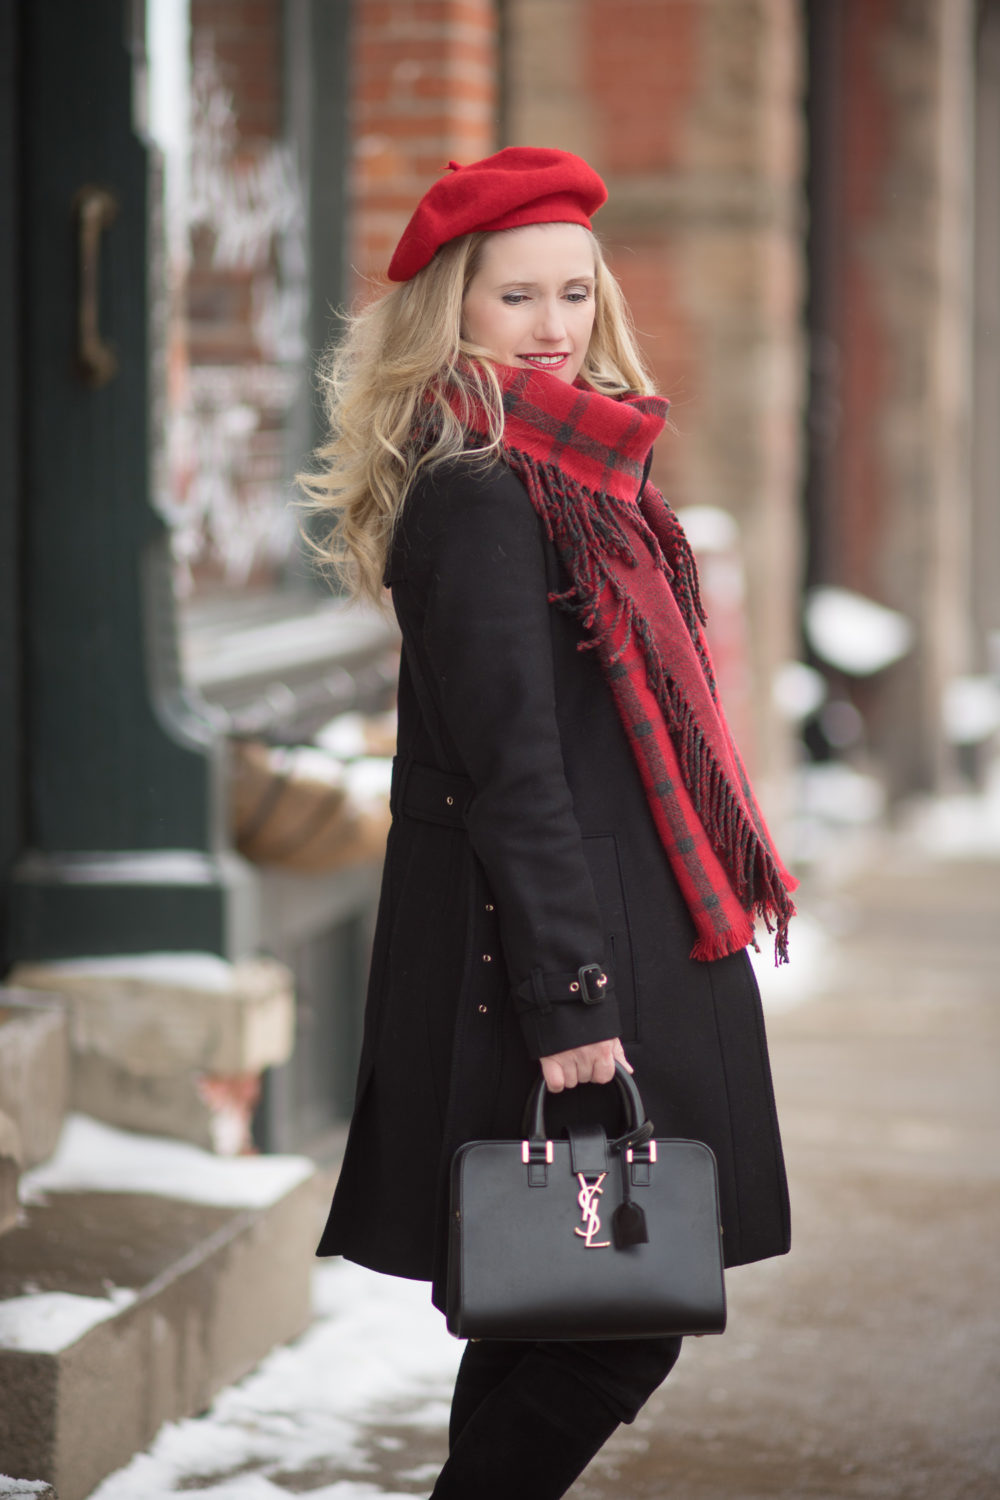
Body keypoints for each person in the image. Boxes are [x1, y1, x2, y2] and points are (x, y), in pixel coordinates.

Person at [302, 146, 797, 1500]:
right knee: (620, 1319)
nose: (552, 326)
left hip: (621, 921)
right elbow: (512, 770)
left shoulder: (587, 476)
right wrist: (572, 1000)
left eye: (573, 293)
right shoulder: (481, 491)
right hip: (552, 950)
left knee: (552, 1307)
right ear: (452, 309)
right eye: (515, 296)